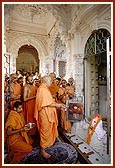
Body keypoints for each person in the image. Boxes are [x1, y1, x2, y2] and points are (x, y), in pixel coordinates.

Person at [34, 75, 65, 159]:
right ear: (45, 81)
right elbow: (47, 103)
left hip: (48, 112)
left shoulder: (44, 88)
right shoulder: (42, 89)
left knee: (48, 130)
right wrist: (58, 105)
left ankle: (48, 145)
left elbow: (48, 100)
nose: (51, 83)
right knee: (45, 131)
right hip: (45, 114)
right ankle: (43, 149)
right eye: (50, 81)